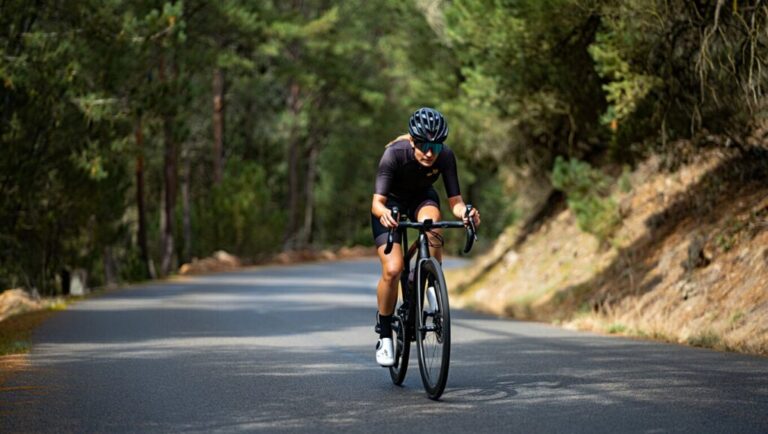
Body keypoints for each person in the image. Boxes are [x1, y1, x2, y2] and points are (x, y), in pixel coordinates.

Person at [370, 107, 481, 366]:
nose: (430, 153)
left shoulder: (445, 157)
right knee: (394, 268)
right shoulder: (394, 155)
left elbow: (455, 202)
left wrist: (466, 212)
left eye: (436, 146)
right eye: (423, 145)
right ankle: (385, 334)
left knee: (432, 225)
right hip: (391, 205)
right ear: (412, 141)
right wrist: (385, 213)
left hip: (421, 198)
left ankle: (431, 280)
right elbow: (377, 203)